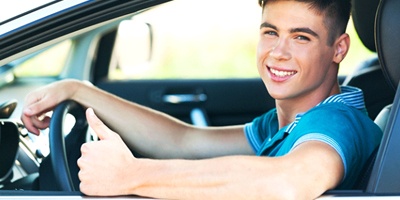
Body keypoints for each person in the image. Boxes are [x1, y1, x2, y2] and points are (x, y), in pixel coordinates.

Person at [21, 0, 382, 199]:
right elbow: (184, 141)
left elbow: (292, 180)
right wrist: (79, 91)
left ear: (339, 48)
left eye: (301, 38)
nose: (279, 53)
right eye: (270, 32)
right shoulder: (289, 122)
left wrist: (130, 176)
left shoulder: (338, 122)